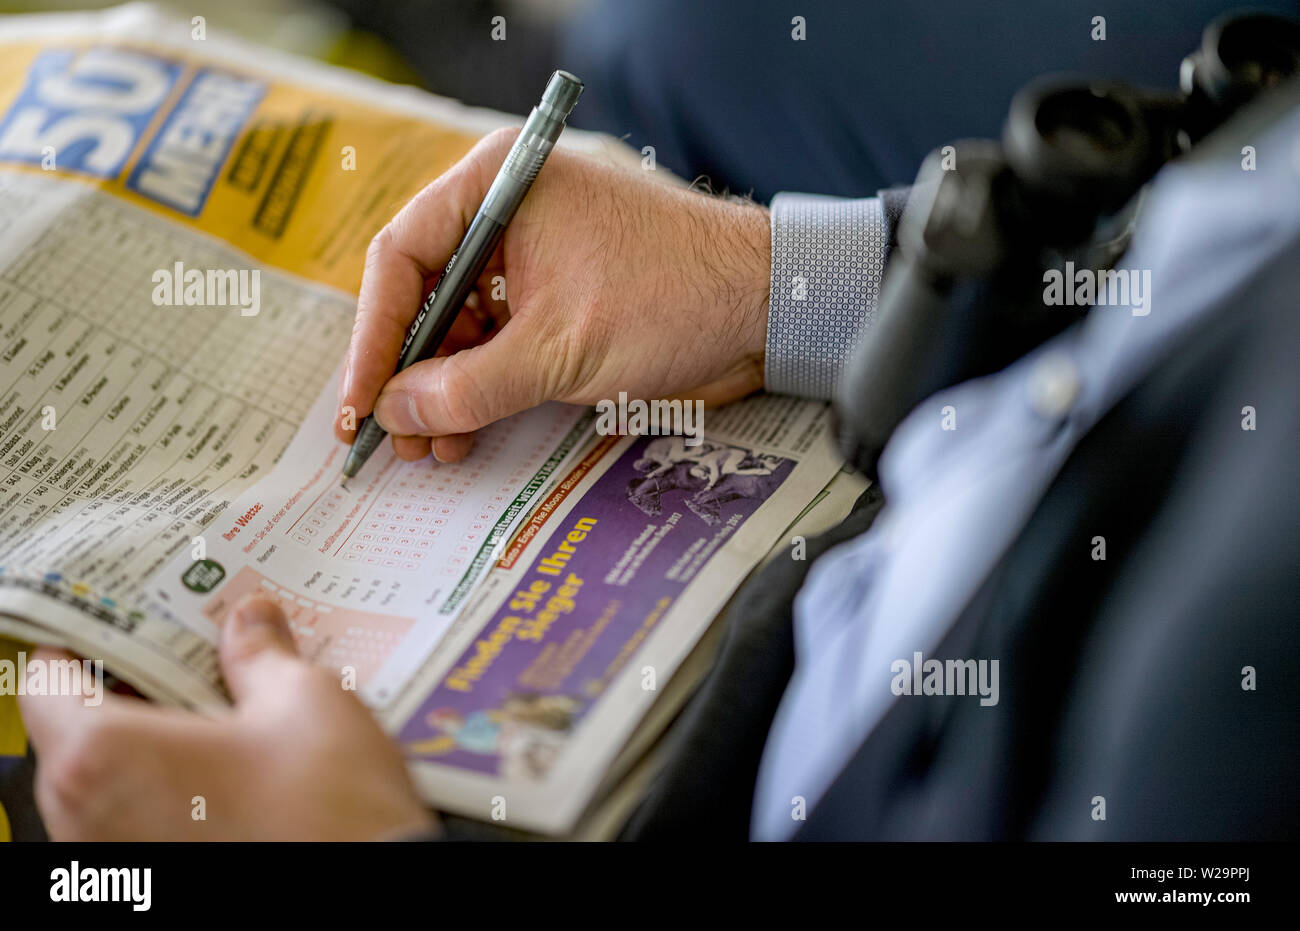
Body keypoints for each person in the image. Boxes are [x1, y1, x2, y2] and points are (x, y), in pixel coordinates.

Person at [18, 60, 1300, 842]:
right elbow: (1198, 250)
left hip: (714, 776)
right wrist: (775, 282)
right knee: (668, 33)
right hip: (908, 471)